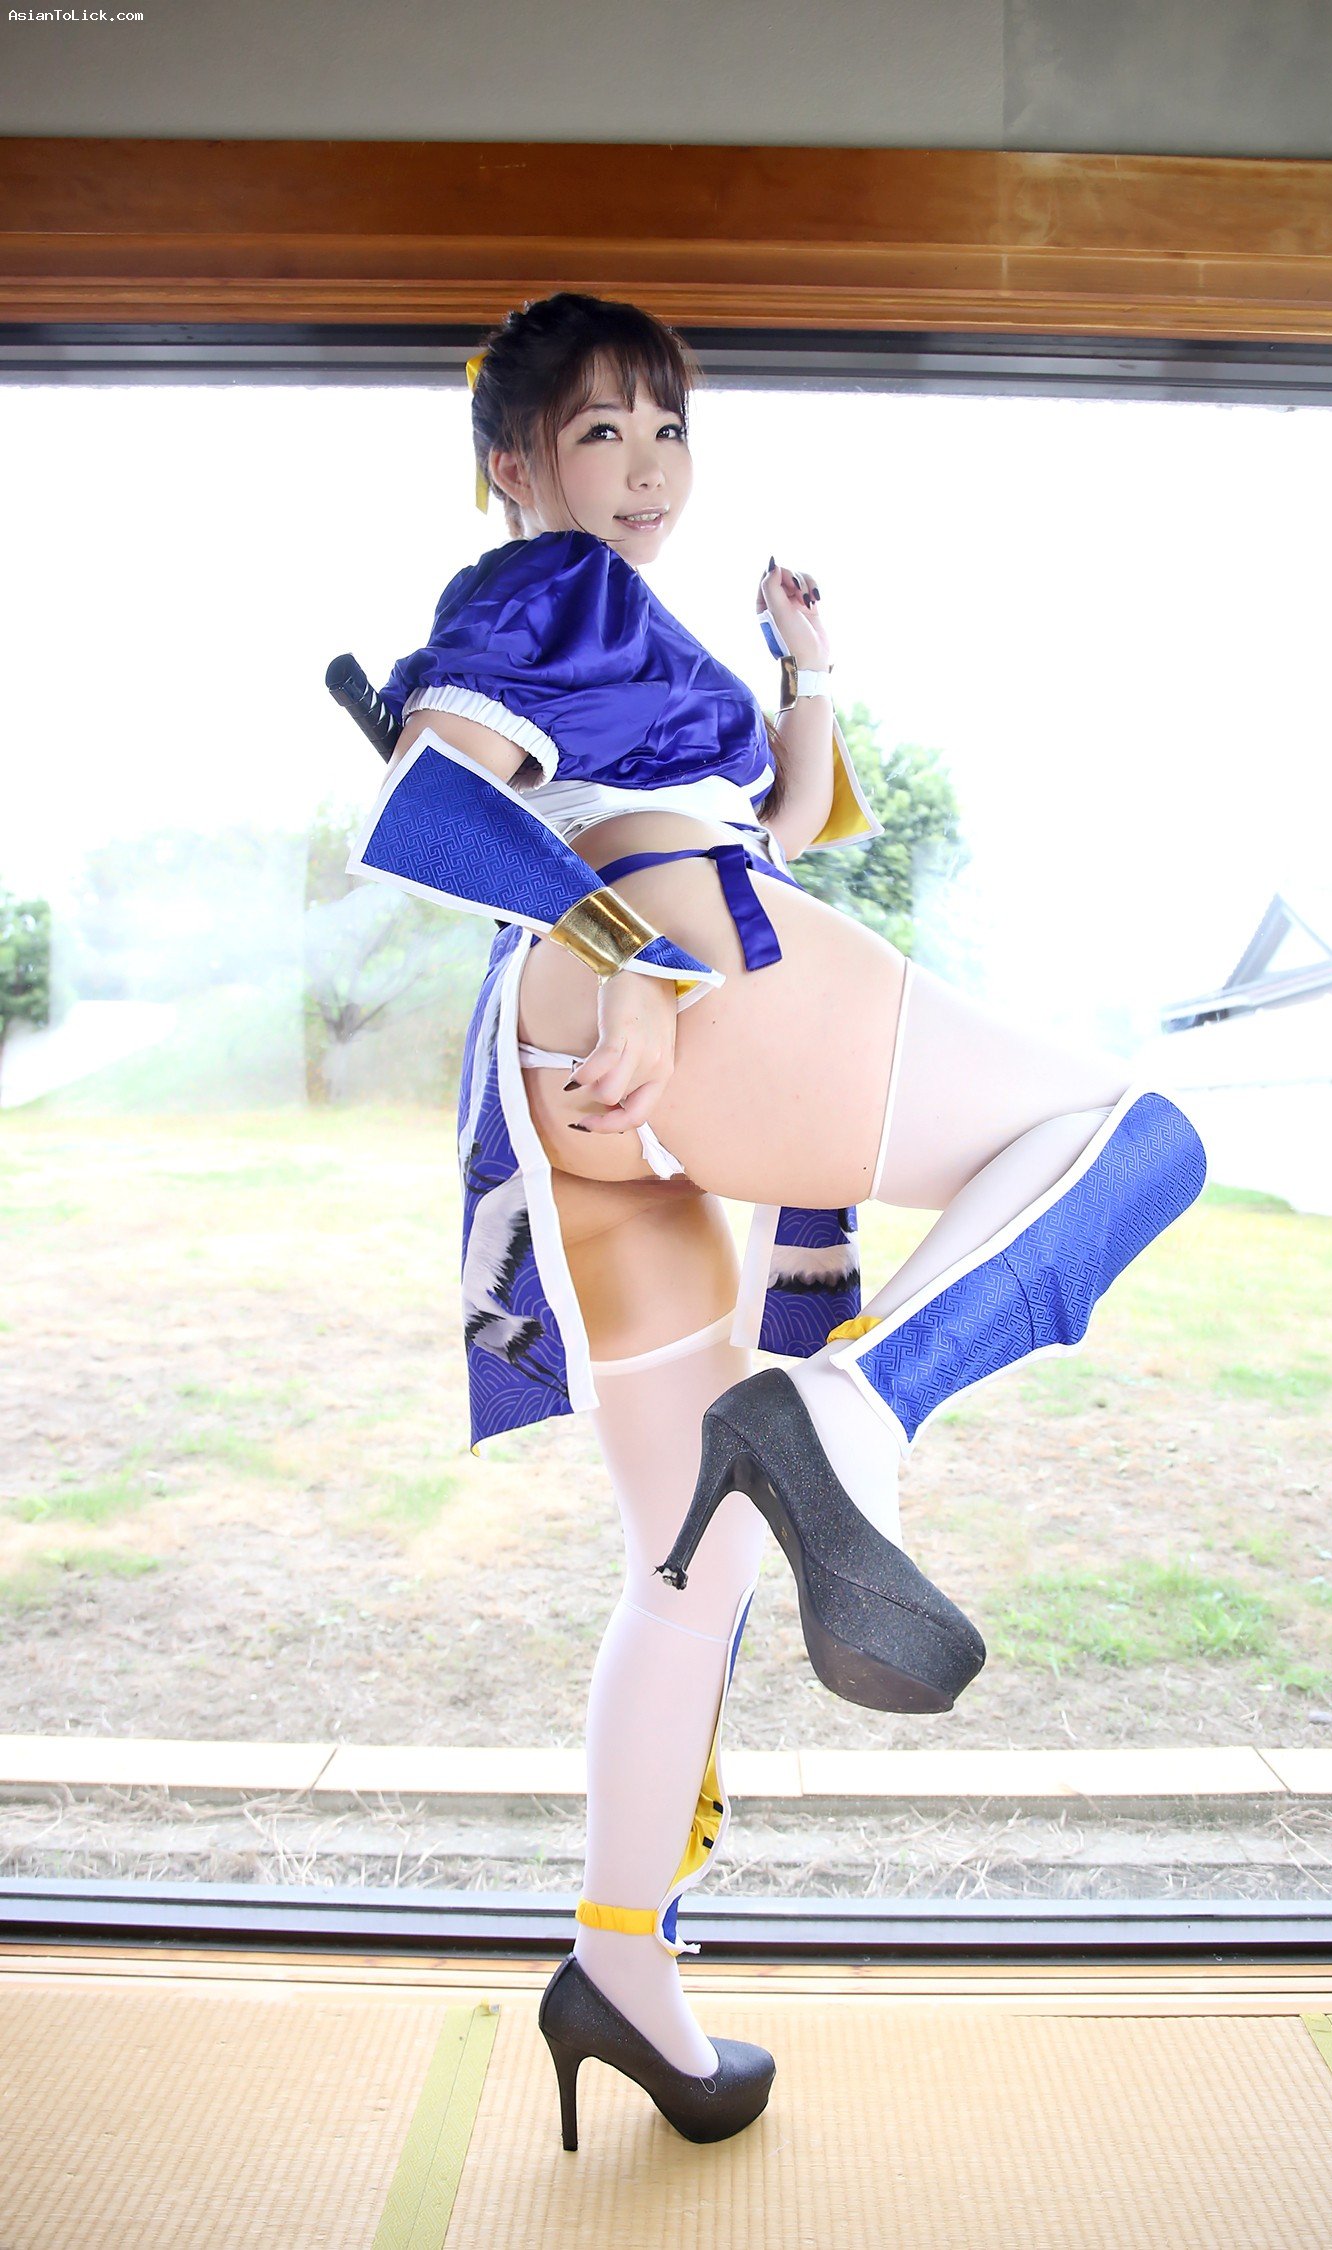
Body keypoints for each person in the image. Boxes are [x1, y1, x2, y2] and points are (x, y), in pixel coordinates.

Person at [346, 290, 1207, 2153]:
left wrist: (803, 665)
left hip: (576, 1075)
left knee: (695, 1565)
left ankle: (622, 1968)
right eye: (602, 431)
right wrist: (628, 954)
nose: (647, 467)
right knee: (1135, 1135)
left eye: (670, 431)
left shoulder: (628, 631)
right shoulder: (548, 590)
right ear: (511, 462)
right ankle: (855, 1408)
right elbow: (423, 808)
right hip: (669, 977)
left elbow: (789, 815)